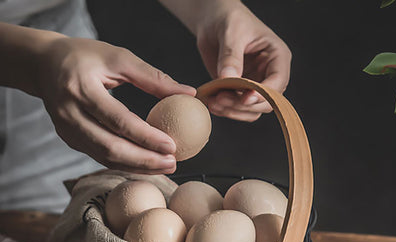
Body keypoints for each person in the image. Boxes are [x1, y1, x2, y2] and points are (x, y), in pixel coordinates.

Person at [0, 0, 292, 213]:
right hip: (55, 59)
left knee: (64, 238)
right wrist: (34, 60)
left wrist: (211, 8)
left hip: (63, 51)